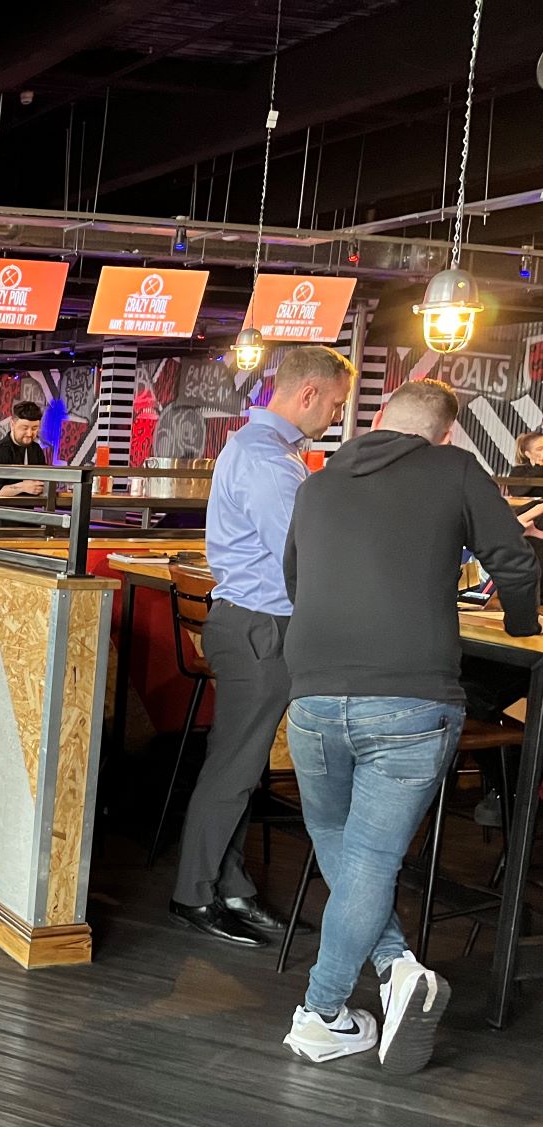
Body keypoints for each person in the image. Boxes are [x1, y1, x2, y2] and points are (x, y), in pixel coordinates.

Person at [279, 380, 539, 1070]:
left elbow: (295, 583)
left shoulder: (317, 484)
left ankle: (397, 972)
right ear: (446, 434)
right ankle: (321, 1013)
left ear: (378, 421)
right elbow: (513, 559)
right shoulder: (453, 469)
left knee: (340, 843)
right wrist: (523, 624)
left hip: (310, 695)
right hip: (410, 695)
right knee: (367, 859)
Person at [170, 345, 355, 946]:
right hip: (259, 627)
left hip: (253, 623)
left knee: (241, 768)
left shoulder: (264, 450)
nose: (334, 415)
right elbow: (303, 555)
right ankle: (193, 894)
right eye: (333, 404)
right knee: (234, 769)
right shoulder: (269, 461)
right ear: (307, 394)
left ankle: (231, 886)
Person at [0, 400, 48, 497]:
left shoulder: (36, 450)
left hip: (27, 510)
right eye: (24, 428)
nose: (30, 433)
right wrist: (23, 487)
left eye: (34, 428)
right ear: (12, 425)